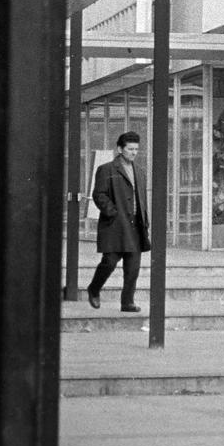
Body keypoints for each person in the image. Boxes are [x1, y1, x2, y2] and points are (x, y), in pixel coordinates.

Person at [87, 131, 151, 312]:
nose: (134, 152)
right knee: (109, 261)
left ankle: (127, 302)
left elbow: (141, 198)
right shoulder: (106, 169)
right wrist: (112, 212)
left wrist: (144, 220)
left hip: (136, 227)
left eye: (136, 149)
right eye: (130, 149)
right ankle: (94, 288)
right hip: (115, 225)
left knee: (133, 268)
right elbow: (98, 194)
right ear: (120, 149)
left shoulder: (140, 171)